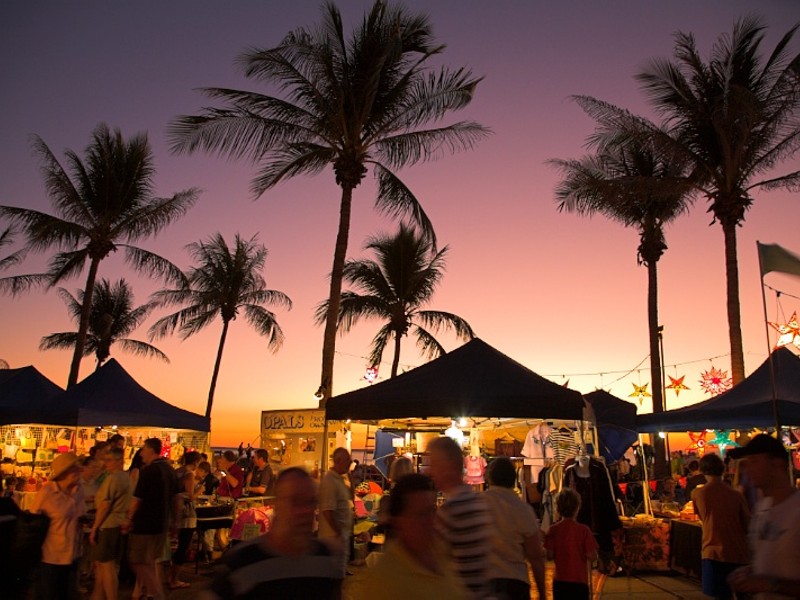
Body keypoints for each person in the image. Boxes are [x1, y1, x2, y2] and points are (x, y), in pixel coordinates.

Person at [204, 467, 342, 598]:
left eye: (311, 502)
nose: (305, 511)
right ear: (277, 505)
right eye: (295, 501)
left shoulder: (325, 560)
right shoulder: (242, 563)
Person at [362, 473, 468, 600]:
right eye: (420, 514)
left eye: (432, 510)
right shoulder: (385, 580)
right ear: (399, 520)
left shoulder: (441, 550)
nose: (431, 520)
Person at [727, 434, 800, 599]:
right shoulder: (761, 509)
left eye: (754, 462)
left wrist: (770, 584)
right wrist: (751, 571)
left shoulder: (796, 510)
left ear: (777, 463)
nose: (748, 470)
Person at [428, 435, 492, 598]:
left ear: (447, 467)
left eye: (434, 465)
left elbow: (437, 564)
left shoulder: (450, 511)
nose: (430, 472)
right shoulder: (479, 502)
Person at [123, 438, 181, 600]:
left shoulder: (148, 472)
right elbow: (178, 499)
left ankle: (156, 593)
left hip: (145, 524)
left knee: (138, 561)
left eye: (143, 449)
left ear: (150, 450)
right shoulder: (170, 471)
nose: (141, 453)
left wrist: (128, 518)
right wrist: (175, 521)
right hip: (162, 524)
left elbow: (137, 499)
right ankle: (150, 593)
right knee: (150, 561)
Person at [483, 456, 546, 600]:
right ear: (513, 480)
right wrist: (542, 593)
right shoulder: (523, 509)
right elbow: (535, 556)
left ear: (489, 478)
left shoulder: (476, 504)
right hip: (515, 582)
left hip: (484, 582)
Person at [690, 453, 749, 600]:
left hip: (712, 550)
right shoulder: (736, 495)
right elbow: (747, 523)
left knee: (720, 595)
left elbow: (700, 516)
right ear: (722, 470)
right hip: (738, 551)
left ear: (702, 471)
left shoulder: (698, 493)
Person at [31, 452, 86, 600]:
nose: (79, 471)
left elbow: (81, 515)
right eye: (75, 468)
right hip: (51, 557)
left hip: (73, 555)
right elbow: (34, 521)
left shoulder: (79, 489)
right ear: (65, 472)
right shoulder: (48, 493)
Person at [89, 446, 130, 600]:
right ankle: (97, 596)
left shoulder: (113, 478)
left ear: (119, 461)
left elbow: (105, 505)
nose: (106, 463)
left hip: (108, 525)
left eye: (109, 460)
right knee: (102, 565)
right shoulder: (125, 477)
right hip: (117, 523)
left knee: (106, 566)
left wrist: (95, 528)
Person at [545, 488, 598, 600]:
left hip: (560, 581)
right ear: (577, 508)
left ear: (558, 508)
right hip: (579, 581)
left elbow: (549, 555)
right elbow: (592, 556)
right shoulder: (583, 530)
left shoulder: (553, 530)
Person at [318, 447, 354, 577]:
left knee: (338, 574)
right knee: (334, 575)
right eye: (348, 461)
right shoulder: (330, 481)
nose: (350, 463)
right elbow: (328, 511)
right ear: (338, 461)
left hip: (338, 537)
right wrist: (339, 532)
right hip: (332, 539)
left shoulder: (339, 479)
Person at [168, 450, 201, 590]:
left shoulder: (177, 472)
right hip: (186, 514)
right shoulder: (189, 474)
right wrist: (200, 490)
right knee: (183, 546)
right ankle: (174, 579)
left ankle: (170, 576)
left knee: (174, 545)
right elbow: (190, 495)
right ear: (195, 462)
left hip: (174, 512)